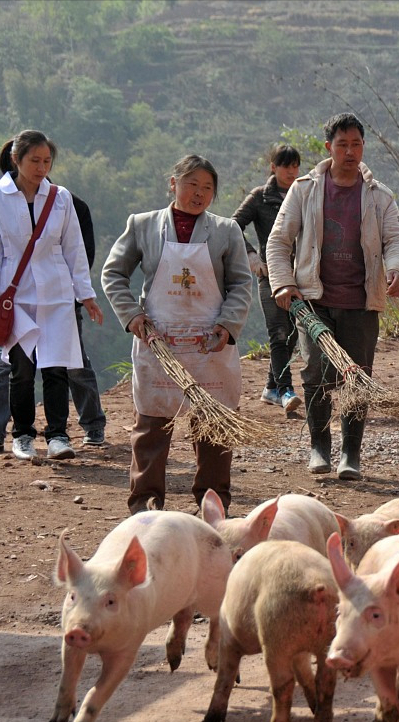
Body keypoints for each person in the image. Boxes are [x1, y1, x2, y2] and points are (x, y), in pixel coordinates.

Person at [102, 155, 252, 514]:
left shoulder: (227, 230)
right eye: (191, 184)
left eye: (207, 188)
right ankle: (146, 504)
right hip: (160, 341)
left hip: (209, 344)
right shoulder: (142, 225)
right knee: (152, 425)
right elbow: (113, 274)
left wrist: (227, 325)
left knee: (214, 426)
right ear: (173, 184)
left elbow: (241, 285)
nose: (199, 194)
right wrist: (133, 316)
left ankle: (213, 504)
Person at [266, 113, 399, 479]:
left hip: (361, 303)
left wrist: (396, 270)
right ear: (328, 146)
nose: (350, 151)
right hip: (314, 301)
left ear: (364, 147)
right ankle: (319, 445)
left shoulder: (379, 196)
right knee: (315, 371)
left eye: (356, 144)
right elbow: (279, 242)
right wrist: (283, 283)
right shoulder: (305, 190)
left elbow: (395, 240)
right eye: (342, 144)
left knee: (357, 377)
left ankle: (351, 454)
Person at [0, 130, 103, 461]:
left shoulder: (61, 197)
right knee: (21, 370)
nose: (41, 167)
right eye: (35, 161)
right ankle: (22, 436)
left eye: (46, 161)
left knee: (56, 369)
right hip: (15, 295)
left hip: (57, 293)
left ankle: (58, 435)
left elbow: (73, 248)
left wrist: (85, 294)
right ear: (16, 159)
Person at [232, 144, 303, 415]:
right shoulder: (260, 197)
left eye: (296, 166)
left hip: (300, 276)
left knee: (295, 334)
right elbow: (233, 225)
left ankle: (271, 388)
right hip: (270, 275)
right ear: (273, 167)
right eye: (286, 166)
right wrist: (251, 256)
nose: (292, 171)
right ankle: (286, 390)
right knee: (278, 332)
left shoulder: (303, 192)